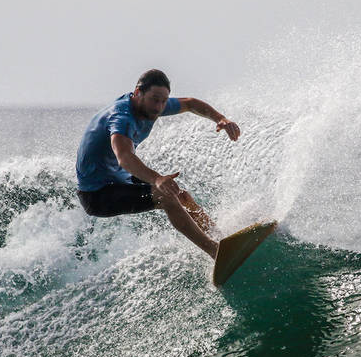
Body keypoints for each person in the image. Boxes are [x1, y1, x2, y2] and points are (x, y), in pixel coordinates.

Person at [75, 69, 240, 258]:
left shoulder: (151, 105)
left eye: (163, 101)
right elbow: (125, 157)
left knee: (180, 196)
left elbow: (190, 104)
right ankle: (215, 252)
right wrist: (157, 179)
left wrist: (221, 119)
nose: (159, 107)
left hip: (117, 177)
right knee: (166, 196)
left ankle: (222, 240)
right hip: (96, 194)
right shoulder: (121, 118)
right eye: (155, 99)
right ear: (138, 93)